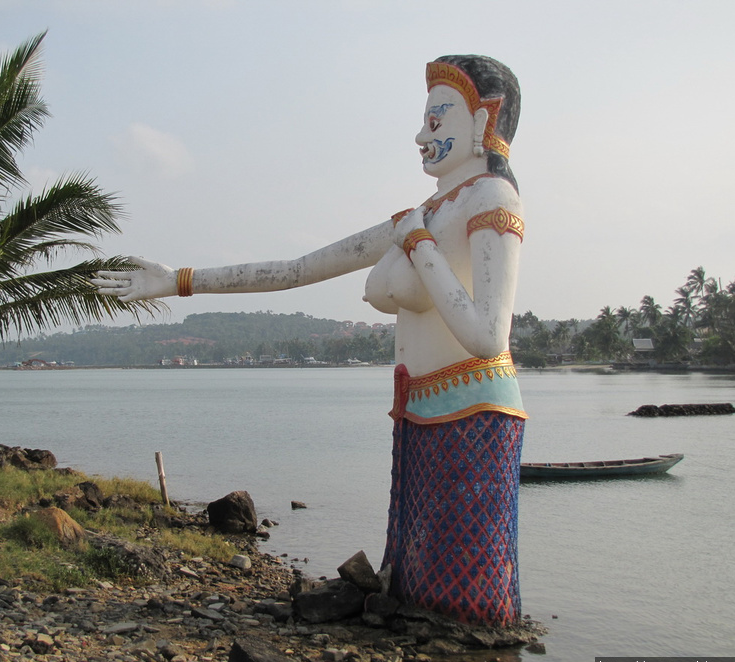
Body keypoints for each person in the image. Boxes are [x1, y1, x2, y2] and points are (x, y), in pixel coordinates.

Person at [94, 54, 527, 627]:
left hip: (474, 409)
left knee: (467, 600)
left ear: (484, 122)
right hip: (419, 410)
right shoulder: (419, 212)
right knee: (421, 586)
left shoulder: (491, 200)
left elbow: (488, 335)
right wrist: (178, 281)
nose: (421, 136)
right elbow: (298, 269)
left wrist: (419, 244)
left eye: (438, 120)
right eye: (424, 121)